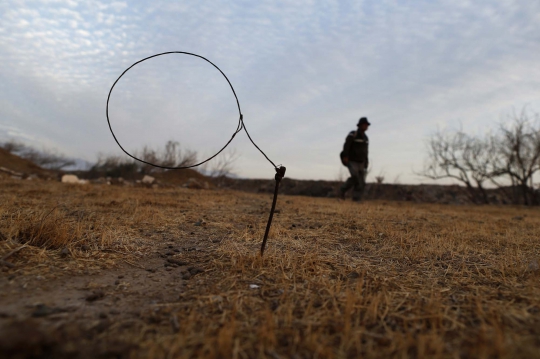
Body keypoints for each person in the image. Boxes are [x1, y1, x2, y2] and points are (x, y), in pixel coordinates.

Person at [339, 117, 370, 201]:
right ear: (360, 125)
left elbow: (366, 151)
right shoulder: (353, 134)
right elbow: (346, 145)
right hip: (352, 160)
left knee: (361, 181)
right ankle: (342, 190)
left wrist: (366, 161)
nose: (366, 126)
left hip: (361, 162)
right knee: (355, 176)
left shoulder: (366, 138)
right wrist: (345, 156)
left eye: (367, 125)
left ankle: (356, 199)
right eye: (364, 124)